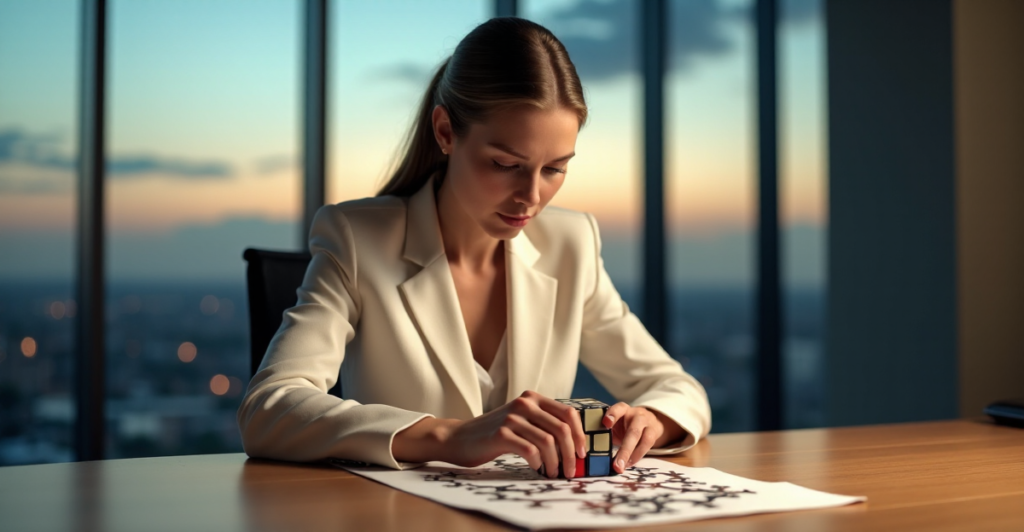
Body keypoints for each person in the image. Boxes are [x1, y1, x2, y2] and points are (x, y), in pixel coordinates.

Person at [237, 17, 711, 479]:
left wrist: (653, 419)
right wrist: (451, 437)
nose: (531, 196)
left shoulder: (572, 244)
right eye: (506, 164)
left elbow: (676, 388)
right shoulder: (357, 239)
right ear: (445, 132)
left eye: (554, 169)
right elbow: (269, 409)